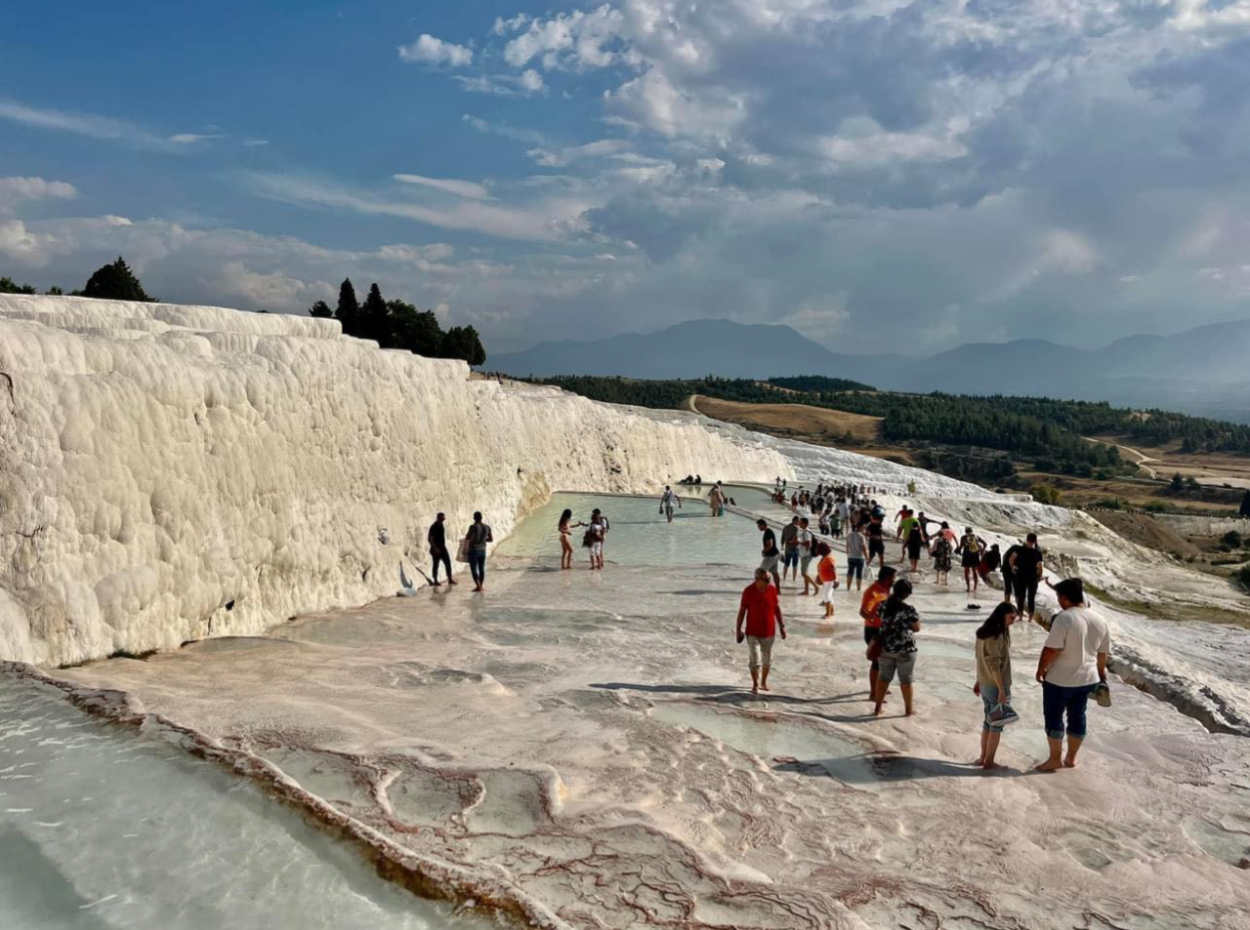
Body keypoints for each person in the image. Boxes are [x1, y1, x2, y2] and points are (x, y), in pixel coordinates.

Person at [1034, 578, 1111, 772]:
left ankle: (1054, 759)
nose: (1059, 601)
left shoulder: (1065, 618)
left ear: (1065, 598)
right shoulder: (1100, 620)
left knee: (1054, 717)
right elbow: (1103, 654)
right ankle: (1071, 758)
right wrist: (1101, 674)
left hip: (1060, 679)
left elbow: (1052, 649)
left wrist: (1041, 669)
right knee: (1078, 715)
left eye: (1059, 597)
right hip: (1088, 679)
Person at [974, 603, 1017, 770]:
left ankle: (983, 758)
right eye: (1011, 617)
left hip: (985, 684)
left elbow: (980, 659)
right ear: (1001, 616)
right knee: (996, 725)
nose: (1013, 621)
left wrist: (978, 680)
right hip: (995, 687)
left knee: (988, 722)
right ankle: (989, 762)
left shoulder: (982, 633)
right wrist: (1001, 690)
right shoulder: (995, 637)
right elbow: (994, 665)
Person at [873, 578, 920, 717]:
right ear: (906, 594)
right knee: (906, 680)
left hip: (885, 647)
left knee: (883, 677)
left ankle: (877, 709)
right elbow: (917, 628)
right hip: (905, 648)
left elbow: (877, 618)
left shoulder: (882, 605)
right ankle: (908, 710)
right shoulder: (908, 609)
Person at [735, 568, 786, 694]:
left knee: (767, 661)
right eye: (766, 580)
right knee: (755, 660)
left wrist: (782, 626)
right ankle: (755, 684)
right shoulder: (748, 591)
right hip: (752, 632)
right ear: (757, 579)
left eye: (770, 579)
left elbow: (776, 608)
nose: (769, 582)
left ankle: (763, 682)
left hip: (769, 632)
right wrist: (738, 629)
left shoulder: (772, 589)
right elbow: (742, 611)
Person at [860, 566, 898, 703]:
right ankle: (873, 694)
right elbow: (863, 611)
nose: (894, 580)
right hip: (873, 631)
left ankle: (880, 686)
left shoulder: (885, 589)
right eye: (893, 577)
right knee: (877, 661)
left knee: (884, 661)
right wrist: (873, 618)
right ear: (886, 578)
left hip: (882, 630)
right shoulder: (873, 592)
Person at [1009, 534, 1044, 621]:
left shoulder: (1019, 549)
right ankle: (1030, 618)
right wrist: (1039, 576)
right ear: (1035, 541)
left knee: (1021, 596)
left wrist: (1012, 568)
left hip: (1021, 575)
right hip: (1032, 577)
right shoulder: (1037, 552)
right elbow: (1040, 566)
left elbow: (1011, 559)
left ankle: (1020, 616)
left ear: (1027, 540)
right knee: (1031, 598)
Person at [465, 512, 492, 592]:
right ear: (481, 518)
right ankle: (481, 586)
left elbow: (468, 537)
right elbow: (490, 539)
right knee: (481, 569)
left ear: (474, 518)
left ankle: (478, 587)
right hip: (483, 550)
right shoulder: (487, 527)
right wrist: (483, 539)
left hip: (474, 550)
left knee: (474, 569)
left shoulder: (473, 527)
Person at [427, 513, 457, 587]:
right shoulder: (434, 527)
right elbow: (430, 539)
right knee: (436, 565)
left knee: (448, 563)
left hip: (443, 548)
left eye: (444, 518)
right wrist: (435, 548)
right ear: (438, 518)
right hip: (436, 549)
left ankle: (450, 579)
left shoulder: (441, 525)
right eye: (442, 518)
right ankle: (435, 580)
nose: (444, 519)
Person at [956, 527, 986, 595]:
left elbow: (960, 547)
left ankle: (968, 588)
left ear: (965, 531)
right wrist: (982, 550)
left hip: (966, 555)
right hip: (975, 555)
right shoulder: (977, 537)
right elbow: (985, 544)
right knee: (974, 571)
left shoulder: (963, 537)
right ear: (972, 531)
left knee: (966, 572)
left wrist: (958, 550)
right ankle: (975, 587)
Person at [757, 518, 781, 589]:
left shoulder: (768, 532)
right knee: (774, 573)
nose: (758, 527)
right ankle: (778, 590)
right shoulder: (769, 531)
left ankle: (764, 589)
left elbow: (770, 545)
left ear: (763, 525)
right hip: (775, 555)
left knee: (761, 572)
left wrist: (764, 551)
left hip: (771, 556)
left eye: (759, 526)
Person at [816, 542, 838, 619]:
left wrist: (835, 580)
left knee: (826, 596)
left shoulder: (828, 558)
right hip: (826, 581)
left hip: (830, 580)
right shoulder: (824, 557)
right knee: (829, 596)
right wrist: (819, 576)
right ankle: (831, 612)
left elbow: (833, 569)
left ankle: (828, 614)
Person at [798, 517, 818, 595]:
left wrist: (799, 542)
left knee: (804, 573)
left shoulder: (806, 533)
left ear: (805, 524)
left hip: (806, 555)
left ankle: (816, 586)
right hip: (805, 555)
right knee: (806, 573)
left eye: (800, 522)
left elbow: (809, 544)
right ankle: (806, 590)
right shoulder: (805, 531)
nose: (799, 523)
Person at [845, 523, 868, 591]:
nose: (864, 529)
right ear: (860, 528)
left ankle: (848, 588)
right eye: (863, 528)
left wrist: (848, 554)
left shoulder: (849, 535)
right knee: (859, 574)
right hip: (859, 558)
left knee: (850, 573)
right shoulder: (861, 536)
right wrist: (867, 557)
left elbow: (847, 546)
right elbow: (863, 548)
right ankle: (858, 589)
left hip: (851, 557)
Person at [780, 516, 801, 584]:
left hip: (787, 549)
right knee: (795, 566)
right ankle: (794, 580)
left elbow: (782, 539)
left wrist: (783, 546)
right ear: (795, 521)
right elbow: (795, 538)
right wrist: (791, 542)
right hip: (795, 549)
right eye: (798, 521)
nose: (799, 523)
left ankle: (784, 578)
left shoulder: (785, 527)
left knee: (786, 564)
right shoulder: (796, 528)